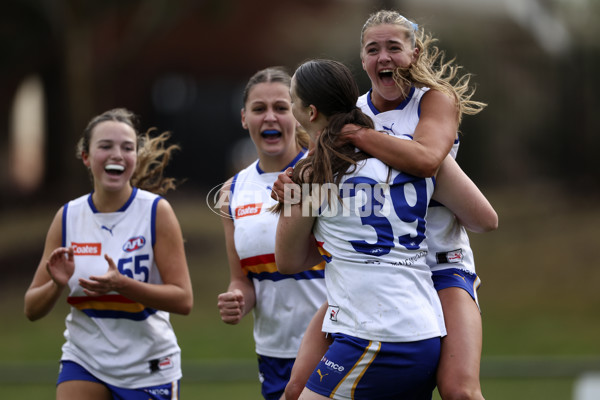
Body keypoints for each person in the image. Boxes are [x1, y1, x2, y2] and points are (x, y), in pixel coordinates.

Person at [277, 10, 492, 400]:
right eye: (373, 49)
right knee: (295, 388)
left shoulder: (433, 102)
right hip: (374, 266)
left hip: (439, 264)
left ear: (415, 52)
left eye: (395, 47)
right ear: (362, 60)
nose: (384, 57)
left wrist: (354, 134)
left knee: (459, 389)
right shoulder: (349, 110)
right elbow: (318, 184)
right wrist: (292, 186)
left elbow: (427, 160)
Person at [24, 108, 193, 400]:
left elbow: (184, 299)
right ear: (86, 157)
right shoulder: (67, 217)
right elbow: (31, 308)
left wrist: (122, 285)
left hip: (148, 367)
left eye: (127, 148)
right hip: (84, 360)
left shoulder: (155, 212)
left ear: (135, 158)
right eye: (105, 146)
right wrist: (56, 284)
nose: (117, 154)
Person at [215, 67, 327, 400]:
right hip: (275, 352)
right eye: (259, 109)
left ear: (300, 113)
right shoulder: (231, 192)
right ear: (244, 118)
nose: (270, 117)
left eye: (281, 107)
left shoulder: (326, 171)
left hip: (336, 340)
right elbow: (242, 280)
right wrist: (237, 299)